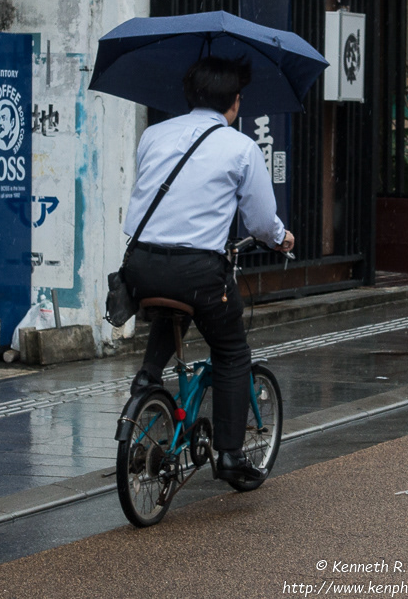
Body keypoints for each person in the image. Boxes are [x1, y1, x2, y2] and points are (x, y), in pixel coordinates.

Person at [121, 55, 295, 486]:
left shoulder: (154, 134)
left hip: (140, 263)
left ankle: (146, 380)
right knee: (232, 351)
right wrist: (282, 238)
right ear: (235, 102)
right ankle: (231, 456)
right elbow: (259, 222)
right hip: (198, 270)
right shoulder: (240, 147)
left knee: (172, 307)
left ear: (189, 94)